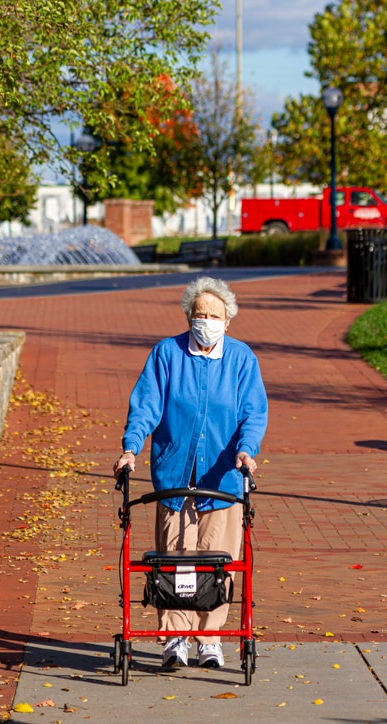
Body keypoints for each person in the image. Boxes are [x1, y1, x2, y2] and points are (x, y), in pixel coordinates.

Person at [113, 276, 268, 669]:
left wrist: (247, 451)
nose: (207, 321)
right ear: (189, 317)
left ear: (228, 321)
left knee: (218, 561)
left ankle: (210, 638)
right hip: (175, 478)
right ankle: (175, 638)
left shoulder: (241, 359)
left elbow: (253, 413)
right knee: (177, 559)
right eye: (201, 314)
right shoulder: (167, 354)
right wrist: (131, 448)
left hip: (223, 480)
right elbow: (145, 406)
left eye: (215, 315)